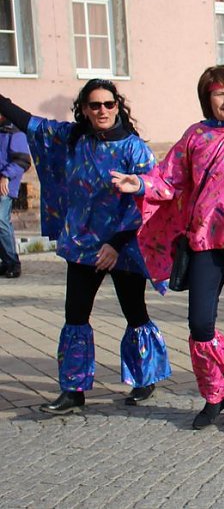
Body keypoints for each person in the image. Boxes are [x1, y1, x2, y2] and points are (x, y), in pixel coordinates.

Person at [111, 65, 224, 432]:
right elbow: (168, 178)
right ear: (207, 98)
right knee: (199, 323)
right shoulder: (194, 136)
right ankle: (216, 394)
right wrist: (139, 184)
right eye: (219, 93)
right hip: (204, 242)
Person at [0, 80, 171, 414]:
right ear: (84, 110)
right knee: (75, 316)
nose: (102, 111)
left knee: (134, 313)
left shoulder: (135, 149)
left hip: (124, 246)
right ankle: (73, 389)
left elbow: (151, 200)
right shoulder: (72, 139)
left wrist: (117, 244)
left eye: (108, 104)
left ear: (118, 106)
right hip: (81, 246)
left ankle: (145, 378)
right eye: (94, 106)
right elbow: (29, 123)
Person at [0, 114, 30, 278]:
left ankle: (12, 263)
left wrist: (5, 175)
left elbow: (23, 160)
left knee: (1, 221)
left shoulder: (15, 132)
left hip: (4, 186)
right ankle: (6, 262)